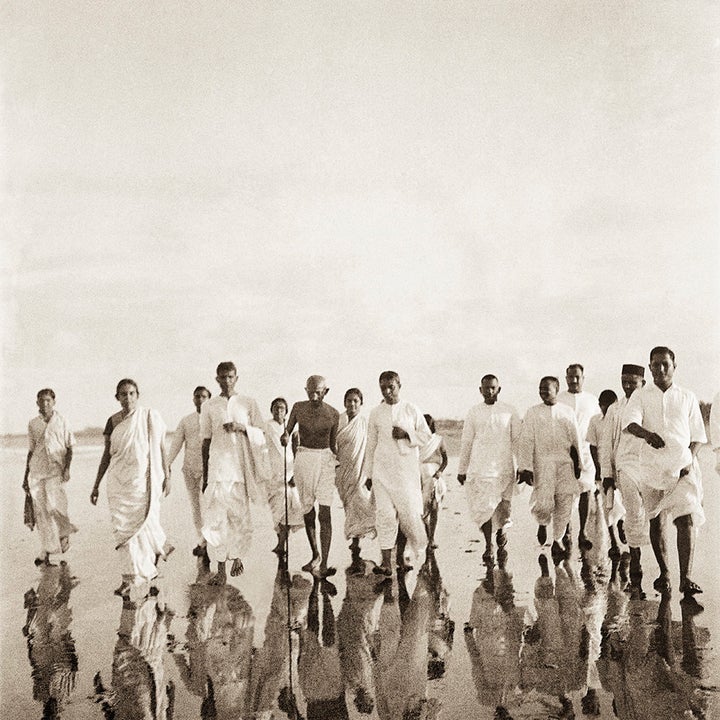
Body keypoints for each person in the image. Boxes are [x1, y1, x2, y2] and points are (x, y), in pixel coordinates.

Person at [623, 346, 707, 602]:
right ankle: (665, 572)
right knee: (656, 520)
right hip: (651, 468)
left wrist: (689, 460)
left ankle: (686, 578)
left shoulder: (687, 396)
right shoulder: (640, 395)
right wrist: (647, 435)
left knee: (686, 518)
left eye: (665, 365)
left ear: (674, 366)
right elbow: (631, 423)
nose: (660, 369)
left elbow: (698, 436)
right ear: (649, 368)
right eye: (655, 365)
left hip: (682, 469)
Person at [91, 379, 171, 598]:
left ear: (138, 395)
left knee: (145, 526)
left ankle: (150, 572)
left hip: (143, 481)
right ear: (117, 397)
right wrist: (96, 484)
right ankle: (128, 578)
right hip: (118, 483)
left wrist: (167, 474)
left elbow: (161, 448)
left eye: (132, 393)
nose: (128, 398)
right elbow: (107, 454)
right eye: (123, 394)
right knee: (122, 529)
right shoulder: (112, 421)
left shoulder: (148, 417)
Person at [200, 361, 265, 584]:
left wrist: (242, 428)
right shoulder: (209, 406)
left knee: (239, 517)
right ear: (217, 379)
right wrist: (205, 475)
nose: (227, 381)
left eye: (230, 377)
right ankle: (220, 568)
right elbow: (206, 442)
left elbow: (263, 434)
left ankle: (236, 556)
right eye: (223, 377)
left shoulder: (248, 403)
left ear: (236, 378)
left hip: (239, 469)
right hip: (217, 469)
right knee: (216, 518)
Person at [364, 371, 432, 576]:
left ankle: (414, 549)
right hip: (381, 471)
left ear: (399, 386)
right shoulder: (376, 413)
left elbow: (426, 436)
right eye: (383, 387)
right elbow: (370, 445)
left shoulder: (411, 409)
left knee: (408, 514)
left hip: (405, 473)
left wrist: (406, 434)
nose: (387, 391)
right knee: (384, 515)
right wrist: (368, 474)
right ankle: (386, 563)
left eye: (390, 387)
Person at [518, 376, 586, 561]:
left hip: (565, 464)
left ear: (556, 389)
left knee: (565, 502)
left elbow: (576, 439)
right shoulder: (532, 412)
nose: (542, 392)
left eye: (546, 388)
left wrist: (580, 463)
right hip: (543, 464)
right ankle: (542, 522)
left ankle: (557, 540)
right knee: (544, 502)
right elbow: (526, 440)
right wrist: (525, 468)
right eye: (540, 388)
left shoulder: (567, 411)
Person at [457, 375, 521, 565]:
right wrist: (462, 468)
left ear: (499, 389)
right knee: (484, 508)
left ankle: (501, 530)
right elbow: (467, 441)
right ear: (480, 390)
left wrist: (522, 466)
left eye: (493, 388)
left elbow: (517, 440)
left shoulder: (509, 411)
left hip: (504, 467)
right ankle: (488, 546)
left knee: (503, 507)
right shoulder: (474, 412)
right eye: (486, 388)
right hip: (481, 468)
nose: (489, 391)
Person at [281, 375, 340, 578]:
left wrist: (337, 463)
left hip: (325, 459)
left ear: (326, 391)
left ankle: (324, 563)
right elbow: (287, 431)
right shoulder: (298, 408)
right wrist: (285, 436)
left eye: (318, 392)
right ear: (306, 390)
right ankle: (315, 554)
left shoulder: (333, 414)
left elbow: (333, 445)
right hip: (304, 457)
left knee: (325, 511)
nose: (314, 396)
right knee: (307, 510)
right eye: (310, 391)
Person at [600, 364, 648, 595]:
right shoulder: (615, 409)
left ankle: (657, 562)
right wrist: (607, 474)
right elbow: (606, 443)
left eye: (633, 382)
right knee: (632, 511)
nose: (627, 386)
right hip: (624, 466)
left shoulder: (650, 404)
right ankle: (635, 557)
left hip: (649, 466)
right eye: (624, 381)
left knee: (651, 516)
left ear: (643, 383)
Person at [23, 388, 78, 566]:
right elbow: (31, 451)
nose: (45, 404)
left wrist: (67, 468)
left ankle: (64, 531)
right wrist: (25, 476)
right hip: (37, 471)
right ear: (37, 402)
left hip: (56, 470)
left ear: (54, 402)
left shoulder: (62, 421)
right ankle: (46, 550)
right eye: (42, 400)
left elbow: (70, 447)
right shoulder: (33, 424)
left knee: (55, 505)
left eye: (48, 400)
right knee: (41, 512)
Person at [558, 364, 601, 550]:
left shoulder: (592, 400)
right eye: (570, 377)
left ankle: (582, 531)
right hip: (564, 452)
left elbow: (598, 425)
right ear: (566, 378)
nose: (574, 380)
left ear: (583, 378)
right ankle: (566, 528)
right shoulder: (558, 399)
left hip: (586, 451)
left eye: (577, 377)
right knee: (565, 492)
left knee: (586, 490)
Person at [167, 385, 211, 558]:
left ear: (209, 399)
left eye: (203, 396)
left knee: (205, 506)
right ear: (193, 399)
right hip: (189, 469)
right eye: (197, 396)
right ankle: (201, 541)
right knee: (195, 507)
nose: (200, 400)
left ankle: (206, 541)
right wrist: (167, 463)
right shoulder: (186, 420)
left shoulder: (213, 419)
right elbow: (176, 442)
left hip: (208, 469)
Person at [335, 388, 376, 567]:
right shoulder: (338, 421)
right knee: (347, 504)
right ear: (344, 402)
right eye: (349, 400)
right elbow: (331, 444)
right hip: (342, 470)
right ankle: (355, 536)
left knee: (359, 501)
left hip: (360, 469)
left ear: (361, 403)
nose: (352, 404)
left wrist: (369, 473)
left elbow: (370, 447)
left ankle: (357, 539)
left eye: (355, 401)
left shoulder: (365, 423)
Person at [263, 397, 304, 558]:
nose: (279, 411)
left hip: (289, 472)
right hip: (273, 475)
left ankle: (281, 544)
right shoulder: (267, 426)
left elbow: (297, 449)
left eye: (282, 408)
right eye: (276, 408)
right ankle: (280, 541)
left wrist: (295, 472)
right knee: (277, 510)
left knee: (289, 509)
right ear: (271, 410)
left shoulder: (291, 428)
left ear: (286, 411)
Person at [586, 389, 622, 556]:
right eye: (603, 406)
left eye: (610, 406)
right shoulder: (595, 421)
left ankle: (621, 523)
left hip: (621, 467)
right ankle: (613, 542)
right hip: (604, 469)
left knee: (622, 502)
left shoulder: (621, 420)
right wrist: (598, 469)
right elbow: (593, 446)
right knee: (607, 505)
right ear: (599, 406)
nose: (606, 410)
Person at [418, 414, 448, 549]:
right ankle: (427, 534)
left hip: (434, 476)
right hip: (419, 475)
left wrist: (440, 472)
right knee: (421, 508)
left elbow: (445, 459)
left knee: (434, 507)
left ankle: (432, 537)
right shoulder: (416, 440)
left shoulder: (438, 440)